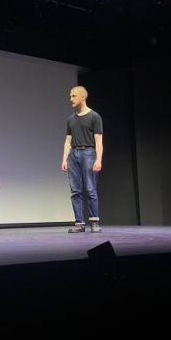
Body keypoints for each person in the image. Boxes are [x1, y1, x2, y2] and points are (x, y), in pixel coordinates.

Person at [61, 86, 103, 233]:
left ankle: (94, 222)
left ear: (83, 97)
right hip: (73, 155)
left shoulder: (94, 116)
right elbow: (68, 140)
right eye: (70, 96)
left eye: (74, 96)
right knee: (75, 191)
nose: (70, 99)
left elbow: (99, 140)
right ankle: (79, 223)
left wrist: (98, 159)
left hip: (88, 153)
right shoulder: (70, 119)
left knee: (90, 189)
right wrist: (64, 159)